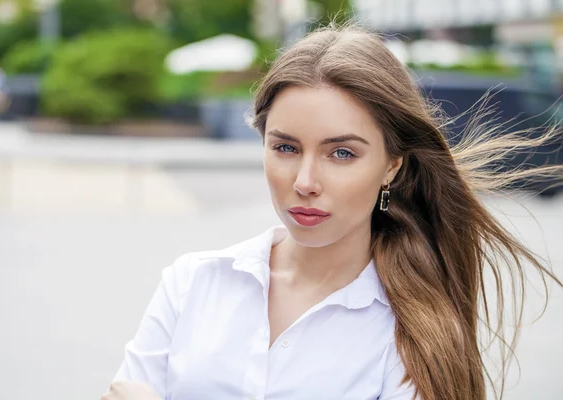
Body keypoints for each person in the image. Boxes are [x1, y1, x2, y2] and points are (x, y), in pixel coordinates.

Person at [102, 23, 563, 400]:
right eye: (285, 147)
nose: (304, 182)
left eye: (341, 154)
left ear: (392, 166)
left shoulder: (416, 334)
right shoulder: (192, 284)